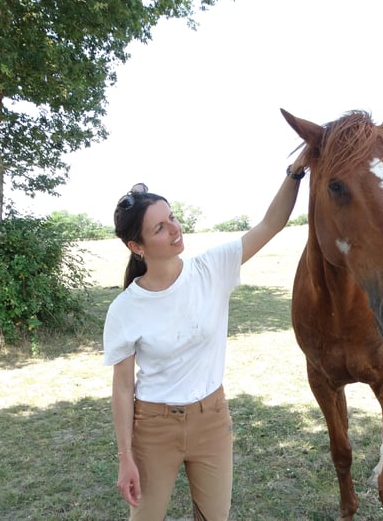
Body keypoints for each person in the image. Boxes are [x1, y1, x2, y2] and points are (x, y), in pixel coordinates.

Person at [102, 160, 306, 520]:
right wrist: (125, 457)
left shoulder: (212, 269)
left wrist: (296, 173)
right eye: (160, 228)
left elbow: (272, 224)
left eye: (173, 218)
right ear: (137, 246)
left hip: (211, 420)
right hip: (153, 427)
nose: (175, 230)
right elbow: (121, 388)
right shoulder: (125, 308)